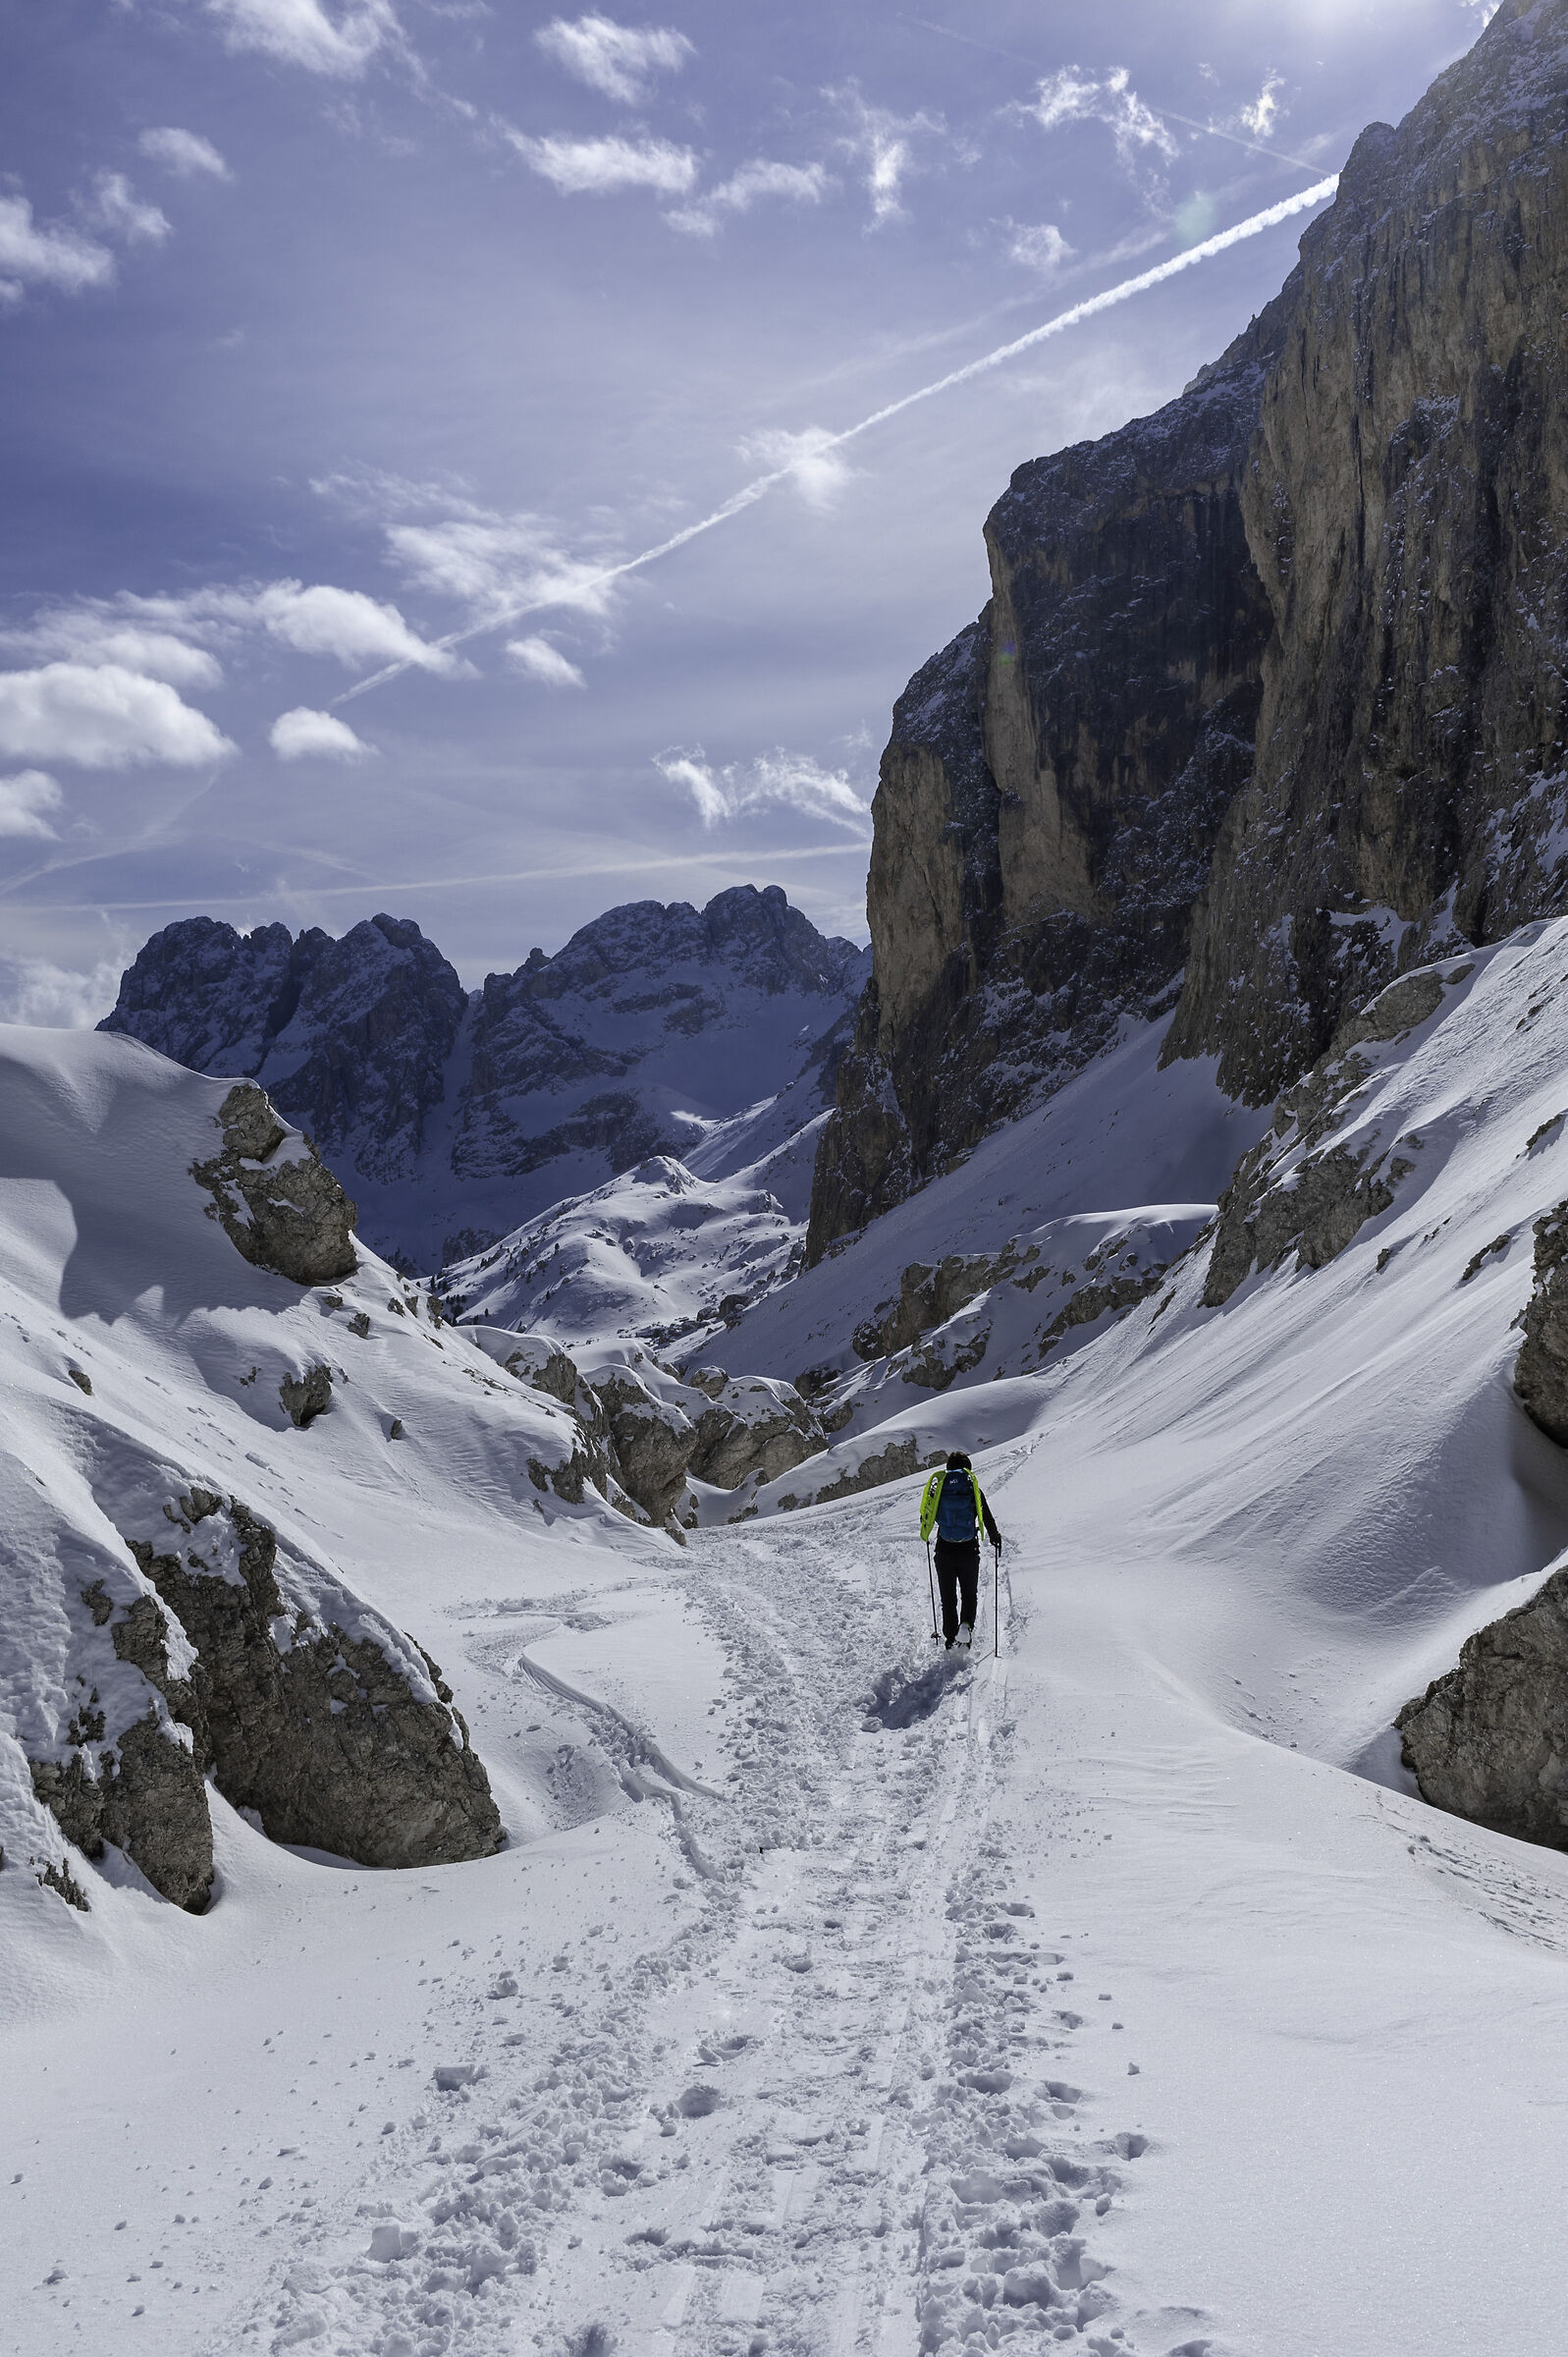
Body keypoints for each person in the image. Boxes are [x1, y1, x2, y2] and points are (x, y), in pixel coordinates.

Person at [918, 1451, 1001, 1649]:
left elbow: (926, 1514)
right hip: (968, 1550)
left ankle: (949, 1638)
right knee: (969, 1594)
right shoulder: (973, 1489)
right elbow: (987, 1517)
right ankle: (966, 1627)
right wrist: (995, 1537)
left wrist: (926, 1535)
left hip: (944, 1550)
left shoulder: (938, 1489)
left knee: (948, 1598)